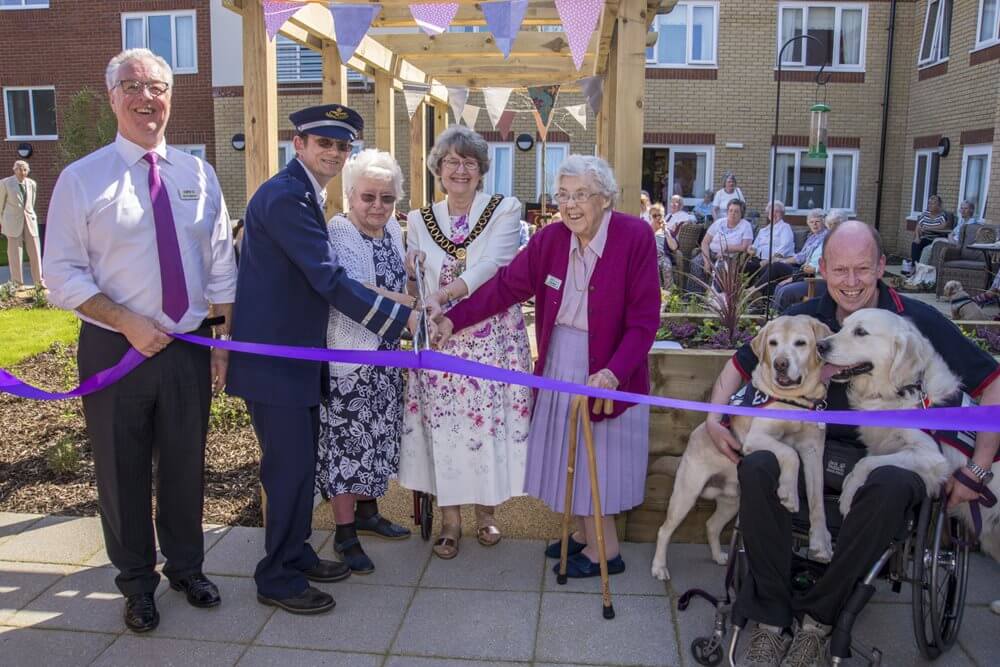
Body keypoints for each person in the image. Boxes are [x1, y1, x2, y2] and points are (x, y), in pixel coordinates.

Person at [703, 220, 1000, 667]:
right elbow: (739, 365)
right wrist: (713, 419)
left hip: (895, 452)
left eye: (862, 268)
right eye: (840, 269)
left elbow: (993, 382)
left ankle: (818, 621)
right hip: (813, 443)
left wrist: (976, 468)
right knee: (758, 464)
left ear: (881, 266)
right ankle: (770, 621)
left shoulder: (914, 319)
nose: (851, 281)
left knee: (891, 485)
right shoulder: (809, 317)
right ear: (822, 267)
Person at [43, 49, 236, 632]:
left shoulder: (198, 174)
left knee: (185, 463)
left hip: (188, 347)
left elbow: (221, 261)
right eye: (132, 86)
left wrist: (222, 339)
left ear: (170, 97)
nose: (145, 98)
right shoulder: (81, 179)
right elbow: (61, 274)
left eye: (156, 86)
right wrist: (127, 321)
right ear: (112, 96)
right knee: (122, 471)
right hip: (115, 349)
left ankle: (186, 566)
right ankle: (136, 583)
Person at [226, 104, 419, 615]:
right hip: (276, 363)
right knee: (288, 473)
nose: (333, 152)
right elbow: (329, 280)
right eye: (323, 143)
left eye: (342, 145)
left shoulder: (303, 192)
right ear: (299, 144)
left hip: (296, 361)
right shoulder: (289, 197)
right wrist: (402, 321)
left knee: (300, 467)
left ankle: (295, 552)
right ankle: (278, 577)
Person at [431, 155, 661, 576]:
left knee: (599, 459)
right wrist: (453, 317)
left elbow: (645, 320)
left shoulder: (635, 236)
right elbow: (505, 287)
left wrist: (614, 371)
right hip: (560, 361)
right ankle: (580, 535)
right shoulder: (550, 239)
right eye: (563, 195)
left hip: (609, 364)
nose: (571, 205)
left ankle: (604, 551)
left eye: (582, 195)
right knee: (566, 451)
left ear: (605, 199)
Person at [398, 125, 532, 560]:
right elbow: (418, 282)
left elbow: (495, 264)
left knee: (484, 428)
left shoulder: (505, 209)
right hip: (440, 341)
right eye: (451, 161)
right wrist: (415, 273)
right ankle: (449, 520)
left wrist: (445, 296)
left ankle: (485, 513)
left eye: (469, 162)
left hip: (489, 338)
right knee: (446, 431)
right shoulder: (418, 220)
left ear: (481, 171)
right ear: (438, 168)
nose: (460, 169)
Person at [317, 149, 413, 575]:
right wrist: (411, 304)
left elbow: (399, 273)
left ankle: (368, 512)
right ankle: (344, 534)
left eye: (387, 198)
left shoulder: (391, 227)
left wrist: (415, 268)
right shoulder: (340, 232)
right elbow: (360, 290)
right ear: (350, 195)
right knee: (346, 447)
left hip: (386, 358)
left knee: (376, 438)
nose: (378, 206)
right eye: (368, 197)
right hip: (351, 359)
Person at [771, 209, 849, 313]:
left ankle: (780, 322)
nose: (832, 228)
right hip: (807, 276)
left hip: (822, 282)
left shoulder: (845, 243)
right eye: (830, 225)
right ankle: (773, 318)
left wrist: (816, 269)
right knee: (780, 287)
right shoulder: (827, 241)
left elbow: (841, 267)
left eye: (836, 224)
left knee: (785, 292)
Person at [686, 198, 753, 293]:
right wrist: (707, 261)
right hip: (710, 253)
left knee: (720, 268)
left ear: (741, 213)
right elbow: (705, 242)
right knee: (696, 263)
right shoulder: (719, 222)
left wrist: (726, 248)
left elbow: (744, 246)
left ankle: (716, 302)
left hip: (729, 257)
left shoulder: (746, 226)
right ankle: (694, 297)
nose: (733, 213)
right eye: (730, 210)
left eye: (736, 211)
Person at [757, 209, 827, 289]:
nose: (814, 224)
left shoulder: (824, 237)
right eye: (811, 222)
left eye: (817, 221)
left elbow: (801, 258)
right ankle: (764, 295)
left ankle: (755, 290)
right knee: (769, 266)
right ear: (808, 224)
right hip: (801, 268)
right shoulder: (812, 237)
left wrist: (782, 261)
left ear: (823, 222)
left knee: (776, 266)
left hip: (807, 271)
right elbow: (801, 255)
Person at [1, 159, 43, 288]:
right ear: (14, 170)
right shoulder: (5, 183)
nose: (22, 172)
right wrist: (2, 222)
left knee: (35, 251)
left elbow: (31, 203)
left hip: (29, 220)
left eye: (25, 169)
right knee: (14, 252)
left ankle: (39, 281)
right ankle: (17, 283)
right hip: (12, 221)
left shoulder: (32, 184)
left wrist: (29, 214)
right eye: (19, 169)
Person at [918, 199, 978, 266]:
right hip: (951, 241)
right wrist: (950, 237)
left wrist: (951, 238)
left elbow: (962, 243)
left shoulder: (972, 225)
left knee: (929, 249)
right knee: (933, 243)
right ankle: (923, 270)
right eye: (961, 208)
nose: (962, 211)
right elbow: (951, 233)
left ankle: (921, 271)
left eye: (966, 208)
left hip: (955, 246)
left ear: (971, 210)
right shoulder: (962, 222)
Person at [904, 194, 948, 274]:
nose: (929, 205)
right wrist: (917, 237)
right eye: (929, 203)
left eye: (932, 203)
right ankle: (914, 267)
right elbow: (918, 227)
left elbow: (943, 227)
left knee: (926, 248)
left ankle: (921, 271)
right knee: (915, 244)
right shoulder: (925, 214)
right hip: (925, 238)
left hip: (936, 240)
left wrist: (929, 228)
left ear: (938, 205)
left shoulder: (942, 215)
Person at [651, 203, 675, 289]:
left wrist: (666, 231)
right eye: (654, 216)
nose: (657, 218)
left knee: (666, 265)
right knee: (654, 267)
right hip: (650, 257)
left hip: (663, 256)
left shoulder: (667, 231)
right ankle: (657, 294)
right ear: (651, 217)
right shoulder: (646, 230)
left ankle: (668, 295)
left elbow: (674, 247)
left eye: (660, 215)